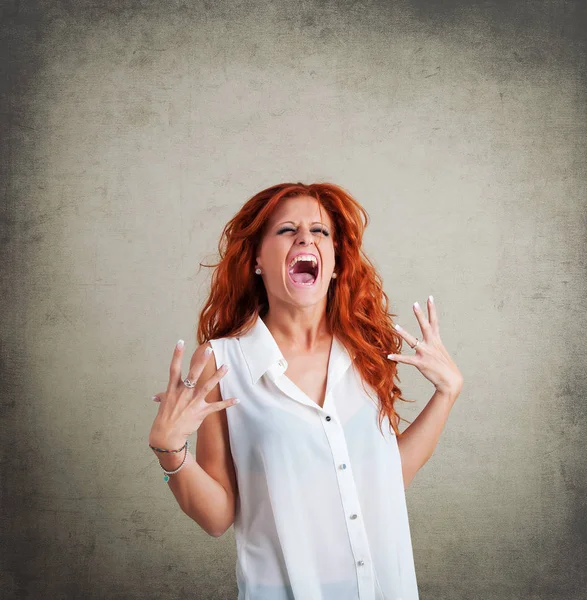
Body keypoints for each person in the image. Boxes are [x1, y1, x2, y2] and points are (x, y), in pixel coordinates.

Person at [148, 182, 463, 600]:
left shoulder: (367, 350)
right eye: (286, 230)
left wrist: (446, 394)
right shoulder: (225, 362)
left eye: (320, 231)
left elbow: (386, 478)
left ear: (334, 263)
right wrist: (170, 449)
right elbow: (217, 517)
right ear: (258, 259)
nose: (305, 238)